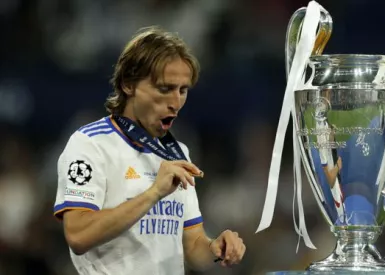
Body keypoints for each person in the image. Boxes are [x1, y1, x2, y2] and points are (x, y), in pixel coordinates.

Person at [53, 26, 246, 275]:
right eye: (164, 89)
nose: (176, 103)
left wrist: (217, 250)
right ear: (128, 85)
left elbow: (194, 246)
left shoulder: (177, 151)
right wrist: (154, 192)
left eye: (183, 90)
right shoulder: (90, 145)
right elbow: (78, 235)